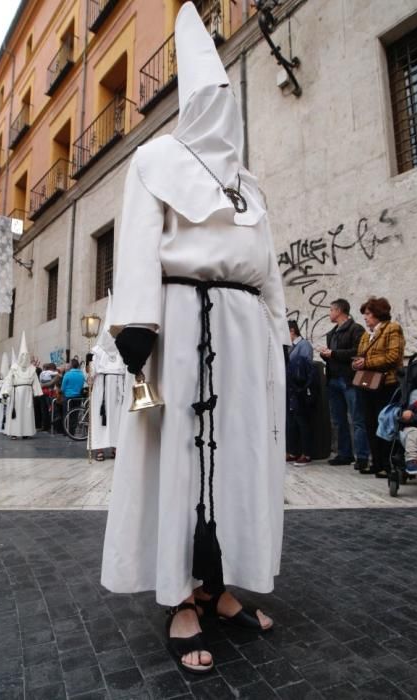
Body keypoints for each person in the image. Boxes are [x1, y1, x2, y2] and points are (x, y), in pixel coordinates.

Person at [101, 2, 289, 675]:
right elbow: (138, 247)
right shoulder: (155, 159)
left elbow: (269, 270)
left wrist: (277, 338)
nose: (221, 104)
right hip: (180, 327)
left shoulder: (250, 185)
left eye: (226, 95)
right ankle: (181, 594)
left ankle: (222, 583)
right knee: (178, 455)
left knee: (237, 458)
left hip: (241, 334)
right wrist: (138, 330)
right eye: (210, 94)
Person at [353, 297, 405, 477]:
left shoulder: (392, 328)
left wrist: (366, 362)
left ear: (378, 313)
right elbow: (360, 355)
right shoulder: (367, 335)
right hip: (368, 384)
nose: (365, 318)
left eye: (368, 314)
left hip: (386, 384)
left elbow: (393, 356)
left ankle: (386, 464)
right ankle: (376, 462)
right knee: (370, 423)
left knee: (384, 422)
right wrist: (357, 363)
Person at [319, 299, 370, 469]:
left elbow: (358, 352)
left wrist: (333, 353)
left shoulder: (356, 329)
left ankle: (362, 456)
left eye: (331, 310)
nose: (329, 313)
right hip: (333, 380)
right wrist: (326, 355)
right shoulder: (332, 333)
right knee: (338, 420)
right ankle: (344, 454)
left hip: (349, 380)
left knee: (357, 419)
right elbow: (334, 355)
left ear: (339, 311)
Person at [88, 291, 125, 461]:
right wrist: (89, 369)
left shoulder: (122, 351)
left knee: (117, 418)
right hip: (102, 390)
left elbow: (126, 370)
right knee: (101, 418)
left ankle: (117, 447)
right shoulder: (97, 352)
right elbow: (91, 373)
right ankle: (100, 448)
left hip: (118, 390)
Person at [1, 332, 43, 439]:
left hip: (28, 394)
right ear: (20, 357)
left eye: (26, 355)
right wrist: (6, 392)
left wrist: (37, 392)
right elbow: (8, 381)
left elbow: (35, 382)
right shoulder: (14, 368)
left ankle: (26, 432)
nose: (24, 357)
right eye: (22, 355)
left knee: (27, 413)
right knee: (16, 413)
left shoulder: (32, 369)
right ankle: (14, 433)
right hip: (16, 395)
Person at [286, 320, 315, 465]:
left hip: (300, 390)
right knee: (291, 421)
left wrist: (301, 387)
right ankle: (293, 451)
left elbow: (305, 368)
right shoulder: (290, 346)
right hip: (290, 389)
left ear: (292, 330)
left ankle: (306, 453)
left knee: (302, 421)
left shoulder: (304, 346)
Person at [399, 389, 417, 475]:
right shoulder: (416, 404)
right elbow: (407, 413)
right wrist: (406, 413)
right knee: (411, 433)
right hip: (416, 428)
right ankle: (412, 460)